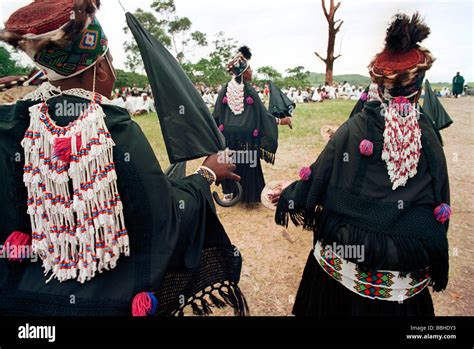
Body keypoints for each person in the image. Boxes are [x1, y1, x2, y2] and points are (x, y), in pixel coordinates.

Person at [0, 0, 248, 316]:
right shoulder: (113, 128)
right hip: (106, 306)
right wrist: (205, 175)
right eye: (112, 61)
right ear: (101, 68)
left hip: (19, 304)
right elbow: (163, 218)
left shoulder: (9, 125)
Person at [270, 13, 450, 317]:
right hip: (402, 284)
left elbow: (318, 178)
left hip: (342, 277)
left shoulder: (354, 129)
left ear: (378, 86)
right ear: (418, 90)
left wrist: (291, 193)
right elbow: (441, 202)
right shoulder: (429, 136)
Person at [213, 46, 290, 205]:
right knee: (249, 160)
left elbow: (216, 114)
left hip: (228, 136)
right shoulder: (249, 90)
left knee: (228, 159)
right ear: (243, 72)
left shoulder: (224, 90)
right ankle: (250, 195)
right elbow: (263, 116)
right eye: (249, 69)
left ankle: (229, 192)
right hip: (247, 138)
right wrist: (282, 121)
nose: (252, 71)